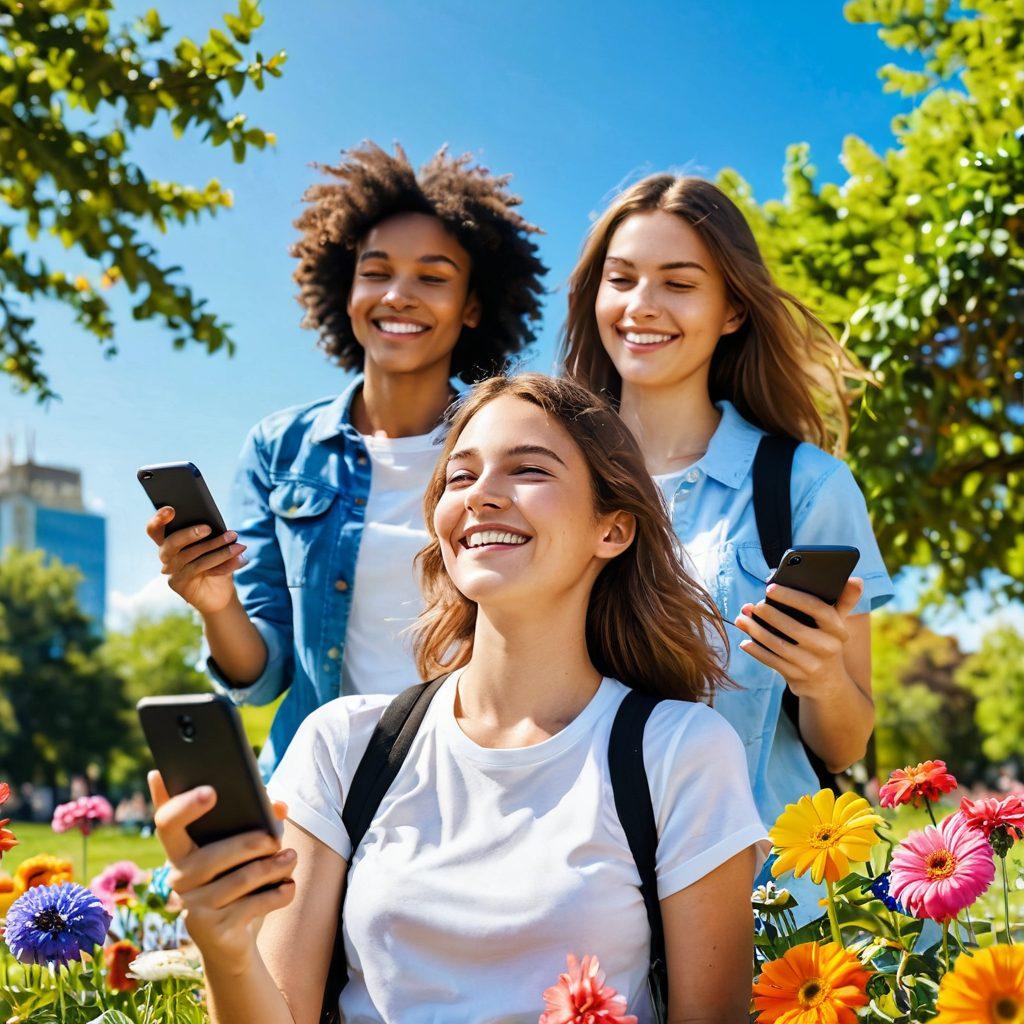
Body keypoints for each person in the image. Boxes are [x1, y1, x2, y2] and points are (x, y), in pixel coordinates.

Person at [149, 374, 767, 1023]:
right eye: (459, 477)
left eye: (528, 469)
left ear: (611, 531)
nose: (482, 496)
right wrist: (223, 942)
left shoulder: (682, 752)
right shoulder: (343, 747)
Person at [145, 143, 546, 778]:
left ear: (472, 306)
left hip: (472, 782)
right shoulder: (279, 452)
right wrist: (215, 601)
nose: (399, 295)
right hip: (317, 791)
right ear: (347, 287)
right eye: (376, 270)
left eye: (433, 277)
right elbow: (258, 676)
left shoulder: (520, 449)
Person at [562, 174, 895, 922]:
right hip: (580, 899)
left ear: (733, 308)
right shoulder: (548, 476)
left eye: (679, 284)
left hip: (764, 907)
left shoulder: (808, 487)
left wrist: (821, 679)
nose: (642, 305)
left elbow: (841, 745)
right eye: (621, 280)